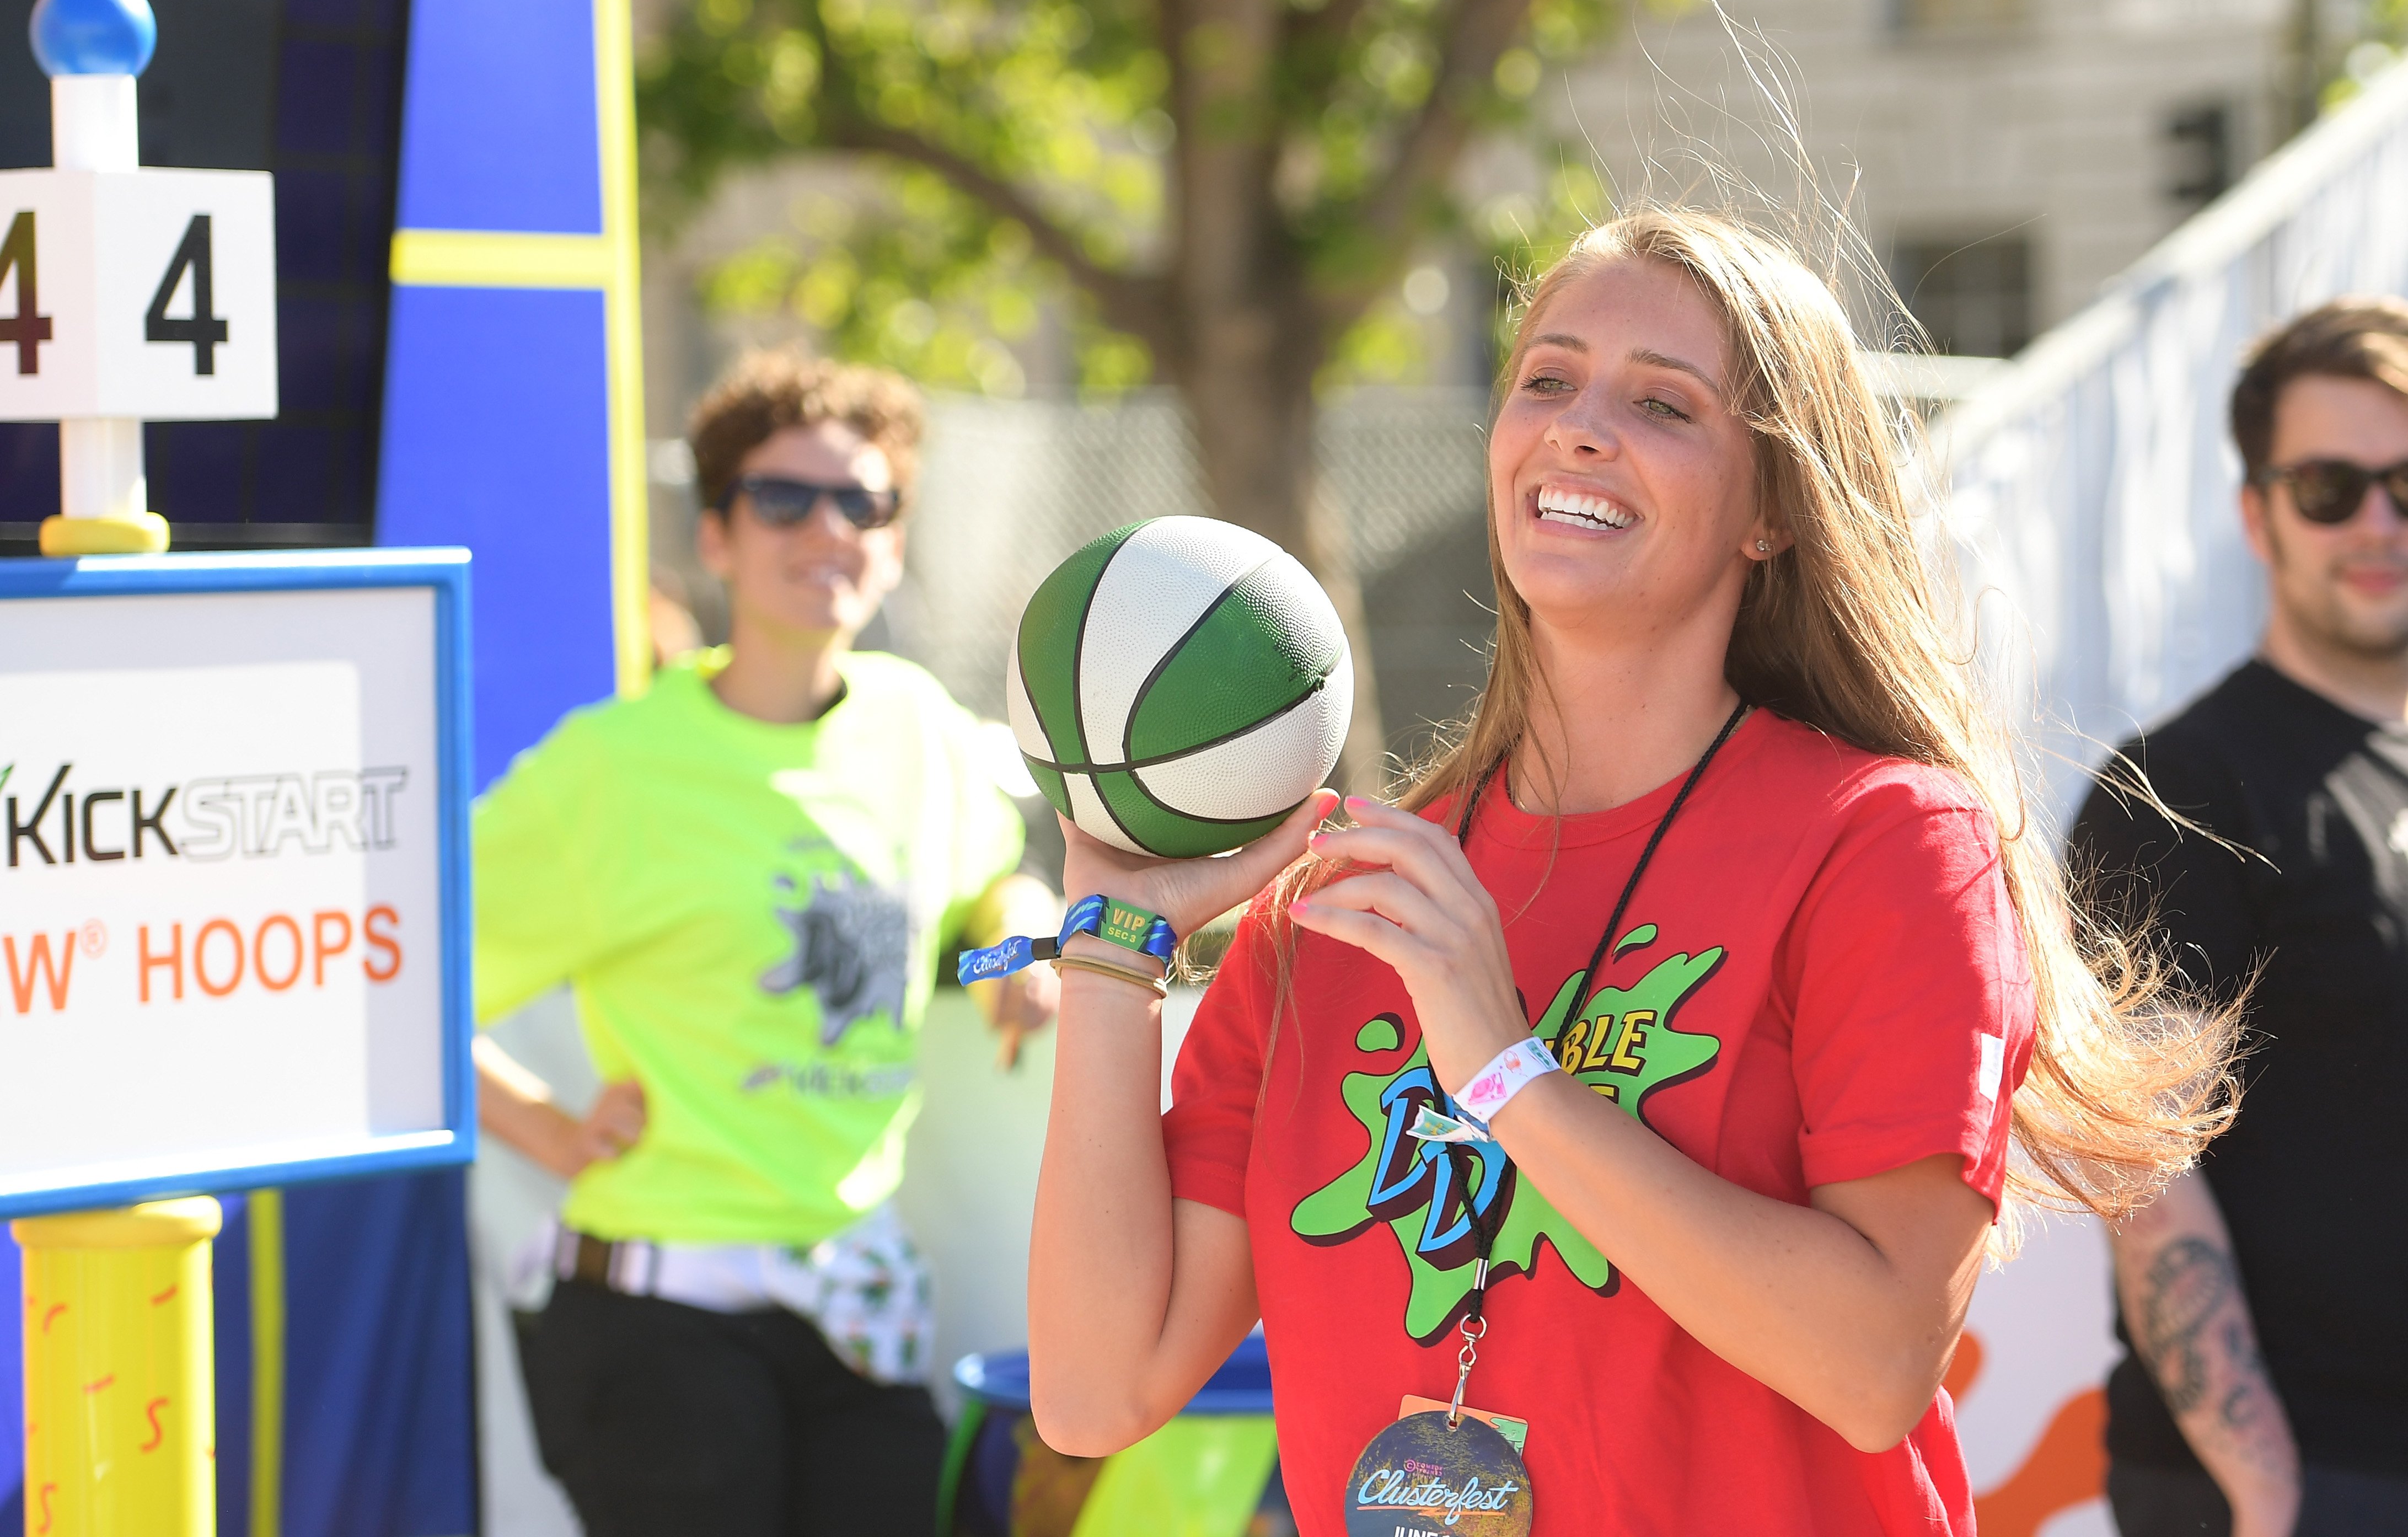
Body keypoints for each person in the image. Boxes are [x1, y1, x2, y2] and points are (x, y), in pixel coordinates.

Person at [1020, 210, 2237, 1536]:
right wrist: (1113, 950)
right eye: (1546, 377)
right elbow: (1094, 1392)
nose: (1579, 426)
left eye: (1664, 403)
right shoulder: (1346, 901)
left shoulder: (1886, 840)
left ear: (1773, 506)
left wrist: (1505, 1065)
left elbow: (1877, 1363)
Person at [471, 351, 1060, 1537]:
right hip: (656, 1321)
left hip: (856, 1309)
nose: (827, 528)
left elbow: (997, 885)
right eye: (784, 499)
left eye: (865, 501)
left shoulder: (922, 732)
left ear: (895, 542)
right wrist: (542, 1125)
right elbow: (396, 969)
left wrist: (1025, 942)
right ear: (719, 535)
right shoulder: (610, 766)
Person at [2071, 298, 2408, 1537]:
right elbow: (2142, 1167)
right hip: (2291, 1482)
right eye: (2330, 486)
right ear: (2256, 513)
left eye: (2406, 482)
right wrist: (2266, 1490)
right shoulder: (2179, 788)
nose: (2377, 522)